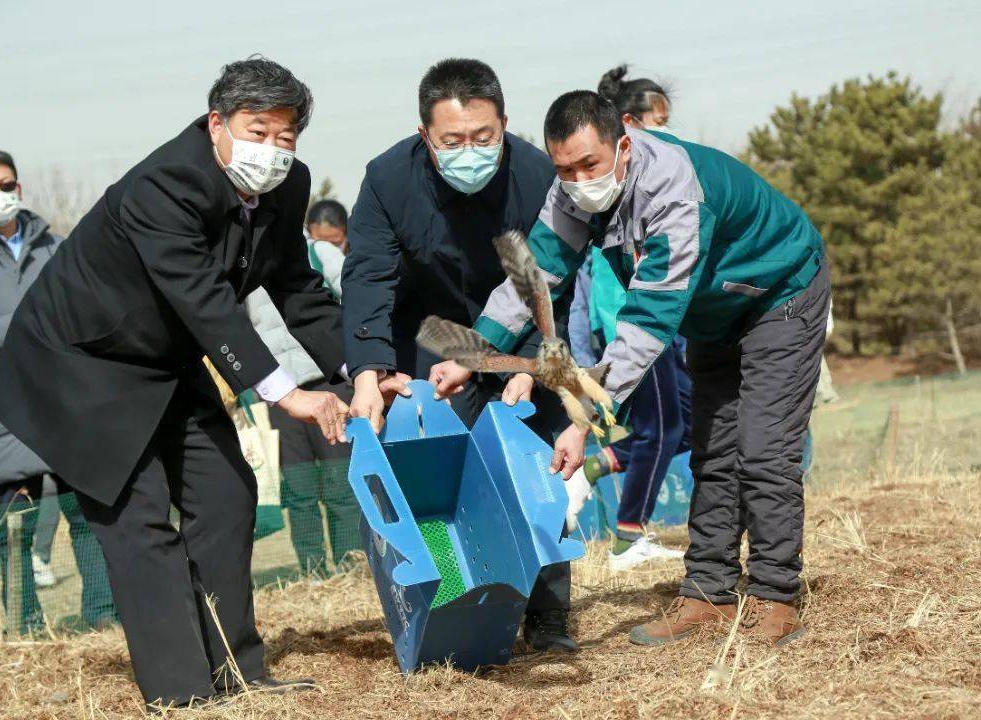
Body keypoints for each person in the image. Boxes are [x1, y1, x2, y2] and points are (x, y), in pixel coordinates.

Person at [0, 56, 404, 708]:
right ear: (217, 122)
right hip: (83, 364)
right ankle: (182, 694)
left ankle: (237, 671)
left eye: (285, 137)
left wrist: (366, 368)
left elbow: (297, 289)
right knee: (141, 522)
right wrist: (286, 391)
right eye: (256, 130)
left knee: (228, 496)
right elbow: (204, 299)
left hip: (166, 360)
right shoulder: (167, 183)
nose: (271, 151)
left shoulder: (285, 188)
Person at [456, 91, 829, 647]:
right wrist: (475, 353)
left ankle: (776, 594)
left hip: (779, 294)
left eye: (590, 164)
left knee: (763, 448)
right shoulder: (571, 194)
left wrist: (583, 422)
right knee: (715, 450)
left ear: (623, 145)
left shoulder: (676, 191)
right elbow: (533, 277)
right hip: (713, 314)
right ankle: (709, 591)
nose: (578, 180)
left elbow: (645, 327)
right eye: (564, 169)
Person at [343, 58, 576, 653]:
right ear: (426, 136)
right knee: (440, 460)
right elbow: (369, 275)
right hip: (434, 333)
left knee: (533, 462)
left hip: (523, 328)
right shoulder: (388, 179)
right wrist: (368, 371)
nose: (469, 150)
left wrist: (526, 364)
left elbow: (549, 281)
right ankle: (452, 608)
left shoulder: (535, 175)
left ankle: (548, 619)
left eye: (483, 137)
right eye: (453, 141)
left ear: (504, 124)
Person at [0, 148, 115, 635]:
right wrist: (26, 326)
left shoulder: (55, 246)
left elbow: (85, 309)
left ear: (19, 186)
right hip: (3, 409)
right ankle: (26, 627)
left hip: (70, 403)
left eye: (5, 185)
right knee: (13, 527)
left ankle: (102, 615)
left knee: (90, 517)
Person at [573, 66, 692, 571]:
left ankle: (600, 468)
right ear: (627, 127)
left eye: (668, 120)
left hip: (668, 323)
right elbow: (606, 287)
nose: (665, 129)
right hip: (639, 328)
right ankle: (626, 539)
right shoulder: (613, 197)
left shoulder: (661, 182)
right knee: (660, 431)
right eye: (655, 121)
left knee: (686, 426)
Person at [249, 199, 361, 577]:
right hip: (281, 394)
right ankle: (313, 570)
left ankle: (352, 563)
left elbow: (355, 300)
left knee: (341, 482)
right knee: (298, 490)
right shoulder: (244, 266)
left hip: (331, 385)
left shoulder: (318, 252)